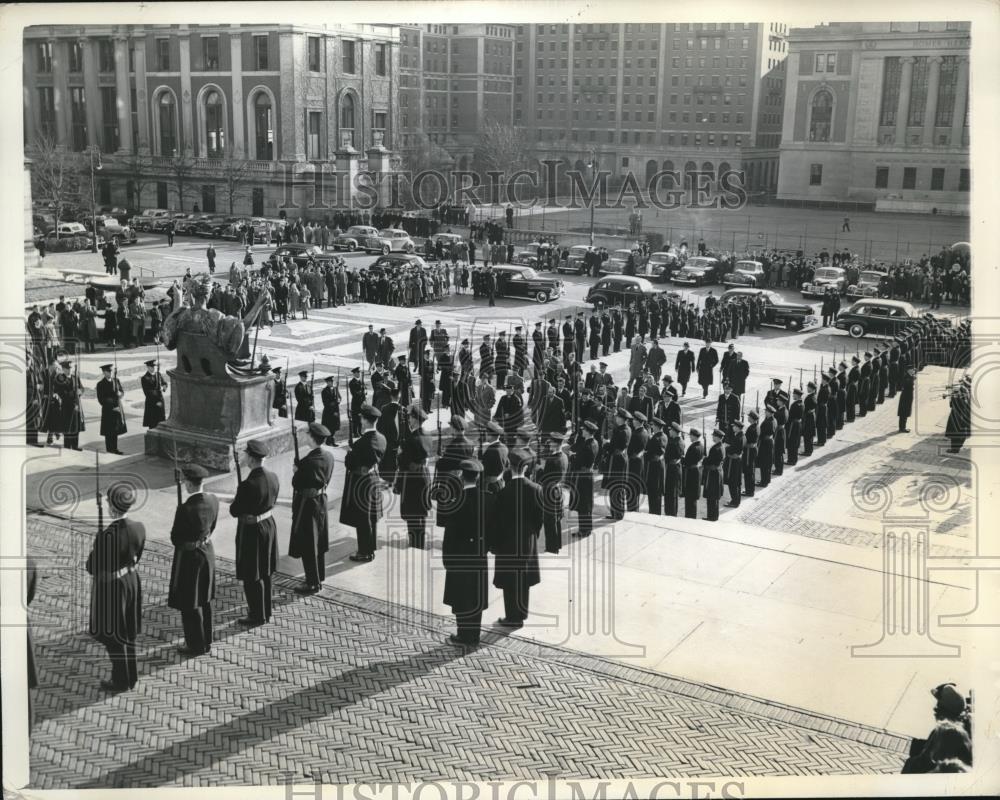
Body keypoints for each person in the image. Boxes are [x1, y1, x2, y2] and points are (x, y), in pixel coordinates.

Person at [86, 482, 145, 692]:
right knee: (128, 631)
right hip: (131, 581)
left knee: (113, 636)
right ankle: (132, 676)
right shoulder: (139, 527)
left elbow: (91, 567)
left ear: (111, 507)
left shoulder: (105, 537)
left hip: (113, 589)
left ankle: (121, 680)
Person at [490, 447, 544, 629]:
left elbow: (496, 522)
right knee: (524, 579)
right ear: (526, 468)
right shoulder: (536, 489)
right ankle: (522, 613)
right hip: (527, 540)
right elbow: (539, 519)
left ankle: (512, 617)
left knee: (510, 581)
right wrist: (532, 535)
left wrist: (496, 544)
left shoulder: (504, 493)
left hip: (508, 543)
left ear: (509, 467)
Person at [167, 464, 217, 656]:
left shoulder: (185, 509)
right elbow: (212, 526)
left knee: (191, 601)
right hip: (207, 552)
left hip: (190, 558)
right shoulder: (213, 500)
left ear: (188, 484)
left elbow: (175, 538)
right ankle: (207, 638)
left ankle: (195, 643)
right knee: (206, 598)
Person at [229, 439, 279, 627]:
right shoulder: (273, 477)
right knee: (265, 571)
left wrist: (239, 494)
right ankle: (266, 610)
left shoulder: (248, 485)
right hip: (268, 525)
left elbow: (234, 511)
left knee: (252, 574)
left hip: (252, 531)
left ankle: (257, 614)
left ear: (251, 458)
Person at [442, 458, 491, 648]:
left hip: (460, 557)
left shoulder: (457, 502)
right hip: (479, 556)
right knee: (476, 597)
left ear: (462, 476)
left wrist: (448, 560)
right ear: (478, 477)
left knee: (462, 597)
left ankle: (463, 635)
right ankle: (475, 635)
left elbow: (450, 535)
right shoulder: (488, 499)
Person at [289, 422, 335, 592]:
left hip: (307, 505)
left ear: (313, 438)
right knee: (319, 541)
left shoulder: (308, 462)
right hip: (321, 500)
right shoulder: (328, 456)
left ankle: (312, 582)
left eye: (308, 434)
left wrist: (296, 471)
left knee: (308, 544)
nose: (305, 436)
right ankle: (319, 575)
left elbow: (297, 484)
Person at [341, 406, 387, 562]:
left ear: (366, 421)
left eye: (361, 418)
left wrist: (350, 452)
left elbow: (350, 464)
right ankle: (370, 546)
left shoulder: (361, 444)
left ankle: (364, 551)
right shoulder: (382, 438)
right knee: (371, 516)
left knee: (363, 518)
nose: (360, 421)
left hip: (362, 483)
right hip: (374, 478)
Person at [396, 406, 432, 549]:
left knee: (412, 513)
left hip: (412, 480)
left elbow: (403, 462)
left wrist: (399, 454)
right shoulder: (428, 435)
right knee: (421, 513)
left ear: (416, 420)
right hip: (424, 476)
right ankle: (420, 542)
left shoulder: (411, 440)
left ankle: (415, 544)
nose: (408, 419)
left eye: (410, 417)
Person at [96, 363, 126, 454]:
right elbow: (101, 399)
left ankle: (115, 448)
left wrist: (120, 394)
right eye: (108, 371)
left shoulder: (116, 380)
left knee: (115, 430)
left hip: (117, 408)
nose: (110, 373)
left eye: (111, 371)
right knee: (109, 431)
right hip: (108, 410)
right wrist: (113, 406)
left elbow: (121, 391)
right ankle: (109, 449)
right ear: (104, 372)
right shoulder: (100, 384)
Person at [702, 428, 725, 521]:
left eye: (714, 436)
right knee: (715, 496)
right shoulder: (721, 446)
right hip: (718, 473)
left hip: (713, 474)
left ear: (717, 437)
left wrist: (704, 459)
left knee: (711, 496)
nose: (713, 437)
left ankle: (711, 516)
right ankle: (714, 516)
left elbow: (708, 461)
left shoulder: (715, 449)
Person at [682, 428, 704, 519]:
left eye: (690, 435)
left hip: (691, 473)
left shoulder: (693, 447)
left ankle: (690, 516)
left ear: (694, 436)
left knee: (690, 497)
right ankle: (691, 516)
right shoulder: (701, 445)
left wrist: (681, 458)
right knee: (693, 497)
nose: (689, 437)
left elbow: (687, 461)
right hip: (697, 472)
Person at [140, 359, 167, 429]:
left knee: (161, 422)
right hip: (152, 404)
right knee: (153, 424)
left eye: (154, 367)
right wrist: (156, 402)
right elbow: (148, 392)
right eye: (151, 367)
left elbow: (164, 383)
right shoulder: (145, 378)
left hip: (160, 401)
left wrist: (164, 387)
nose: (153, 368)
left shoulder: (158, 374)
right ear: (148, 367)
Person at [321, 375, 342, 446]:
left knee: (334, 427)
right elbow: (326, 403)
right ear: (327, 382)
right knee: (329, 427)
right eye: (330, 382)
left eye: (332, 381)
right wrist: (334, 405)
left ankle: (331, 441)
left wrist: (339, 400)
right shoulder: (324, 391)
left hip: (336, 410)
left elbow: (339, 397)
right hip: (329, 412)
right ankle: (329, 441)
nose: (332, 383)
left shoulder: (335, 389)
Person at [897, 366, 916, 433]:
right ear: (909, 370)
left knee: (905, 412)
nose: (914, 371)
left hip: (907, 396)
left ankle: (903, 427)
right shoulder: (907, 377)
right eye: (912, 370)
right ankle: (902, 428)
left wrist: (913, 377)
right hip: (906, 397)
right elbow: (908, 385)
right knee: (904, 412)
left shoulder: (910, 376)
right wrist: (912, 378)